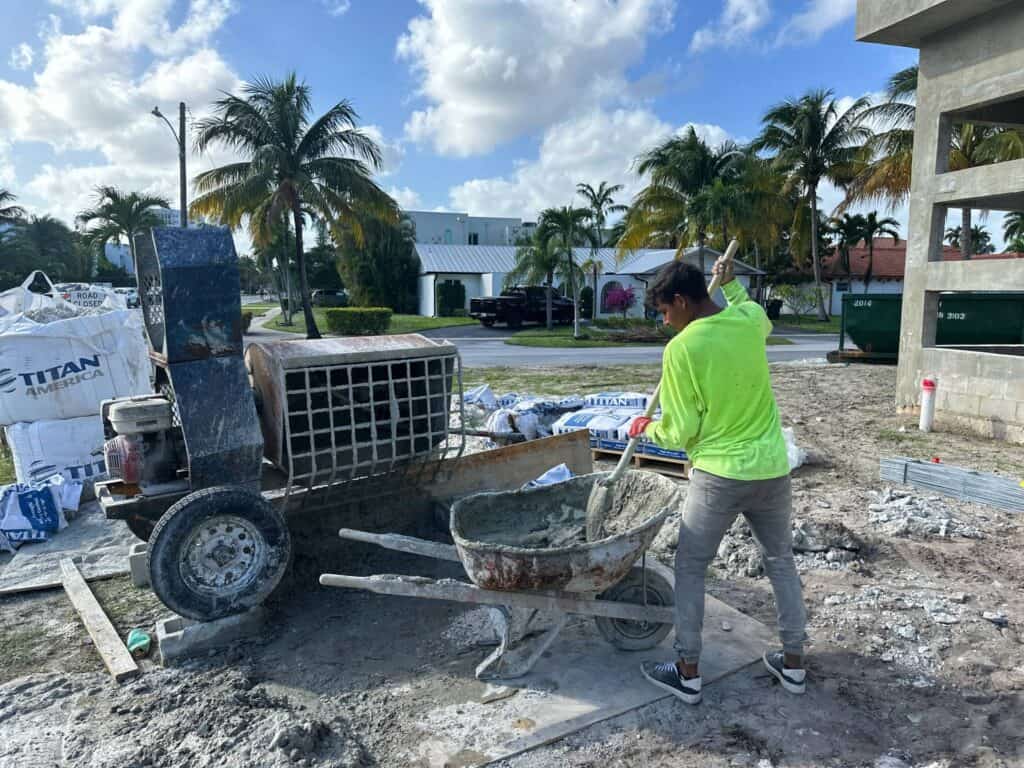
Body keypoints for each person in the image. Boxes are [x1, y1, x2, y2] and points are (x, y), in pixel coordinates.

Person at [634, 254, 807, 705]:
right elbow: (751, 311)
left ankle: (688, 671)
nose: (667, 323)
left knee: (690, 567)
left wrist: (645, 428)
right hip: (772, 469)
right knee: (780, 561)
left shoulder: (682, 349)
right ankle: (794, 665)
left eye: (666, 313)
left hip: (719, 475)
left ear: (680, 301)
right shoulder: (748, 322)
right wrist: (731, 286)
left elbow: (680, 430)